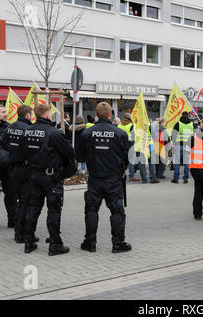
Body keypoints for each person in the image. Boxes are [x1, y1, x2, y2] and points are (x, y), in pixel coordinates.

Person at [78, 102, 132, 253]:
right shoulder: (120, 134)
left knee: (91, 210)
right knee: (117, 211)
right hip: (113, 179)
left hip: (95, 178)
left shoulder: (87, 133)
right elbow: (128, 157)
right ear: (110, 115)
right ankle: (118, 243)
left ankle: (90, 242)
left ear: (96, 114)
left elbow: (80, 156)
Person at [23, 104, 76, 255]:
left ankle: (29, 241)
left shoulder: (27, 131)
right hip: (50, 177)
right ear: (47, 115)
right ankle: (55, 243)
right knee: (54, 209)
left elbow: (22, 152)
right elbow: (69, 152)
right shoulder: (54, 133)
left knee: (33, 207)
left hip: (33, 175)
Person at [1, 105, 35, 243]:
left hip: (12, 167)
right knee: (25, 201)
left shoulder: (9, 127)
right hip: (25, 168)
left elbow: (3, 143)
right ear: (27, 115)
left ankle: (18, 230)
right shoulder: (29, 129)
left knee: (17, 199)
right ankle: (22, 233)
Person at [171, 111, 193, 184]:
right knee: (187, 163)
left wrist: (173, 143)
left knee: (177, 162)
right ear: (188, 116)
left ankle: (176, 178)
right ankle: (185, 178)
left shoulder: (178, 124)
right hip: (187, 146)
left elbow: (173, 134)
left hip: (178, 145)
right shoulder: (191, 124)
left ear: (181, 115)